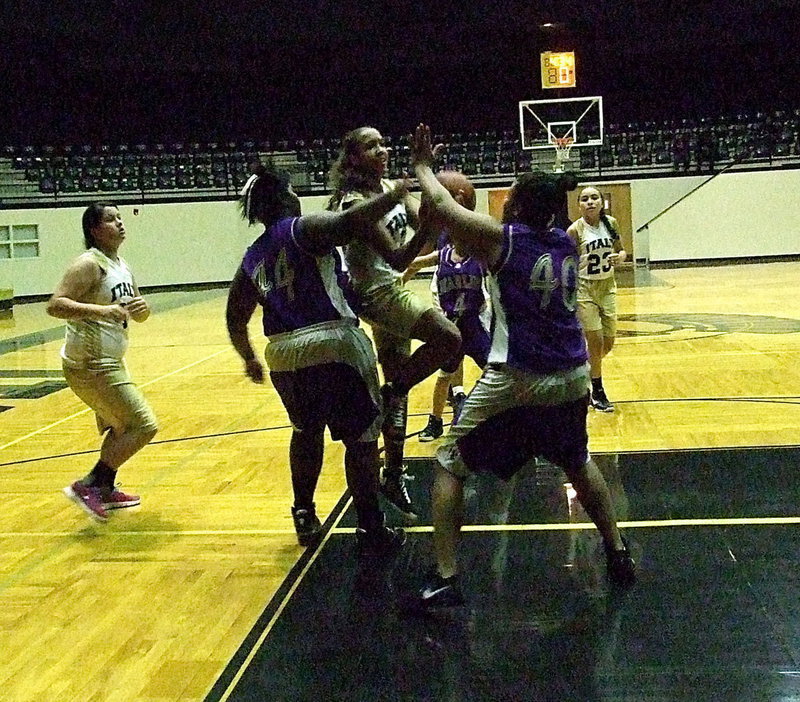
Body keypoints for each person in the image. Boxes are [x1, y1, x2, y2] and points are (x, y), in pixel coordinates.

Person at [408, 124, 636, 608]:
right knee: (578, 461)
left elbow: (447, 211)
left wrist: (424, 169)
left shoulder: (504, 241)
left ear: (516, 206)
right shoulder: (568, 243)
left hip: (519, 375)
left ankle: (446, 574)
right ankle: (617, 551)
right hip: (572, 374)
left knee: (448, 462)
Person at [226, 163, 407, 555]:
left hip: (283, 354)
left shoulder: (252, 256)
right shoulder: (302, 227)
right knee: (361, 441)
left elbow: (234, 318)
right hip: (332, 343)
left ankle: (304, 512)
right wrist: (393, 196)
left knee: (305, 432)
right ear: (284, 198)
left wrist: (249, 358)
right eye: (292, 190)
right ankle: (371, 529)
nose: (296, 195)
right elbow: (349, 221)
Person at [326, 127, 461, 521]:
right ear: (352, 158)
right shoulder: (355, 201)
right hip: (379, 295)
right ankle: (394, 389)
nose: (383, 149)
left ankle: (394, 472)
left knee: (399, 386)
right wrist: (425, 226)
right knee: (450, 340)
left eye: (384, 143)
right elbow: (401, 258)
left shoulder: (388, 185)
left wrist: (429, 176)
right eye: (372, 145)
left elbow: (431, 220)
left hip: (390, 289)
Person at [48, 202, 158, 522]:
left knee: (123, 426)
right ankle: (89, 485)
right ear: (94, 230)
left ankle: (105, 487)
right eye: (111, 219)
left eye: (120, 217)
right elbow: (56, 305)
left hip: (110, 361)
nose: (120, 223)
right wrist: (100, 311)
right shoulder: (88, 264)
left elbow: (140, 312)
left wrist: (142, 310)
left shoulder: (121, 265)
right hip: (91, 364)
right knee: (144, 425)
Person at [404, 173, 490, 441]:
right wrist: (399, 281)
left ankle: (489, 414)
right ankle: (435, 420)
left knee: (494, 373)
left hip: (475, 323)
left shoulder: (481, 253)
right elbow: (417, 262)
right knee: (443, 376)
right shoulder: (442, 251)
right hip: (450, 324)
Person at [566, 186, 627, 412]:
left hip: (607, 285)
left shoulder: (610, 223)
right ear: (579, 205)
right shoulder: (574, 230)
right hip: (585, 288)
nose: (590, 202)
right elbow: (565, 261)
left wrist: (619, 257)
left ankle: (584, 369)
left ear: (601, 202)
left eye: (594, 198)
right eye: (585, 199)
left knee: (607, 343)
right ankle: (597, 389)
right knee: (595, 339)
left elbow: (622, 251)